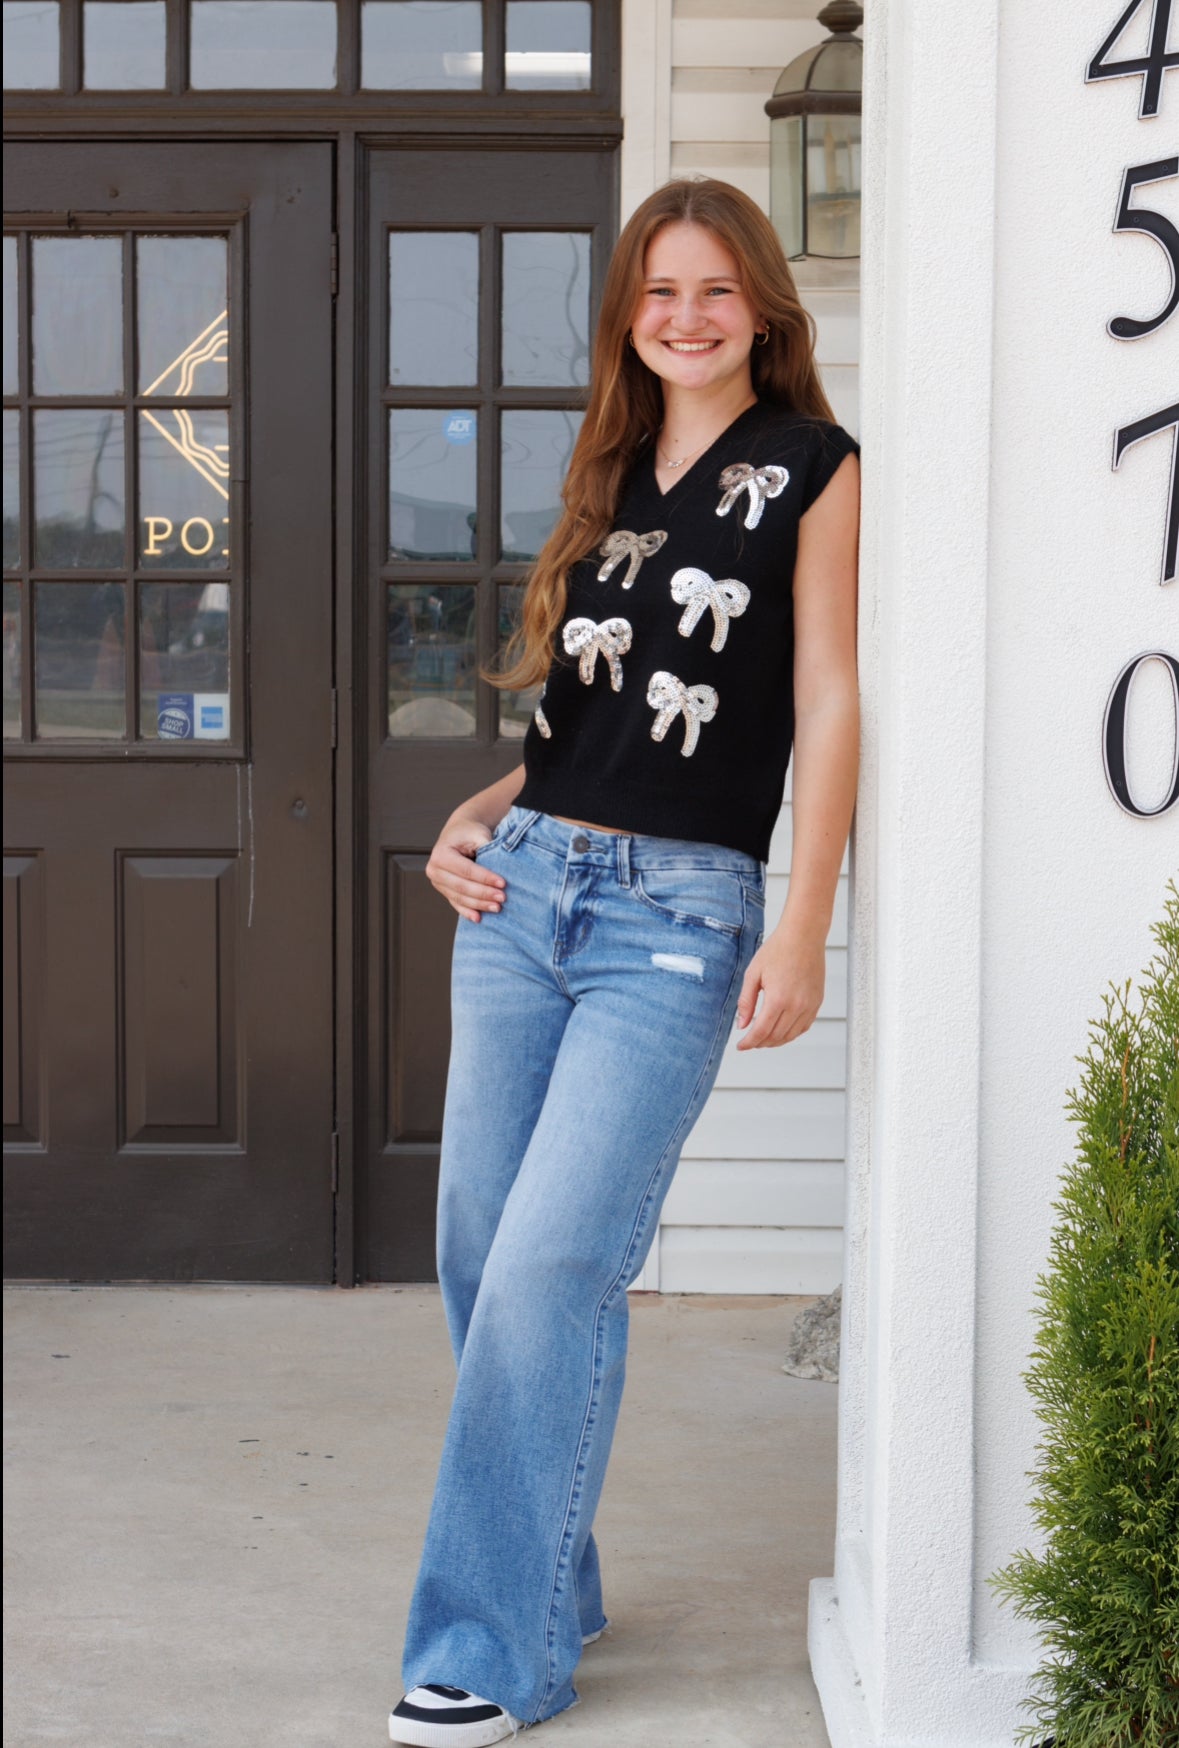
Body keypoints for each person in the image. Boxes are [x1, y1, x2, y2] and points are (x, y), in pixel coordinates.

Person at [389, 176, 861, 1747]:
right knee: (476, 1248)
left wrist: (803, 919)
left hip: (679, 921)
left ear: (764, 311)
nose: (686, 317)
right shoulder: (606, 469)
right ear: (630, 316)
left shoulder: (813, 467)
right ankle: (546, 1575)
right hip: (523, 895)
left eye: (716, 291)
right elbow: (580, 726)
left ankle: (490, 1649)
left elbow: (829, 698)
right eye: (660, 292)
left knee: (551, 1265)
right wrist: (474, 811)